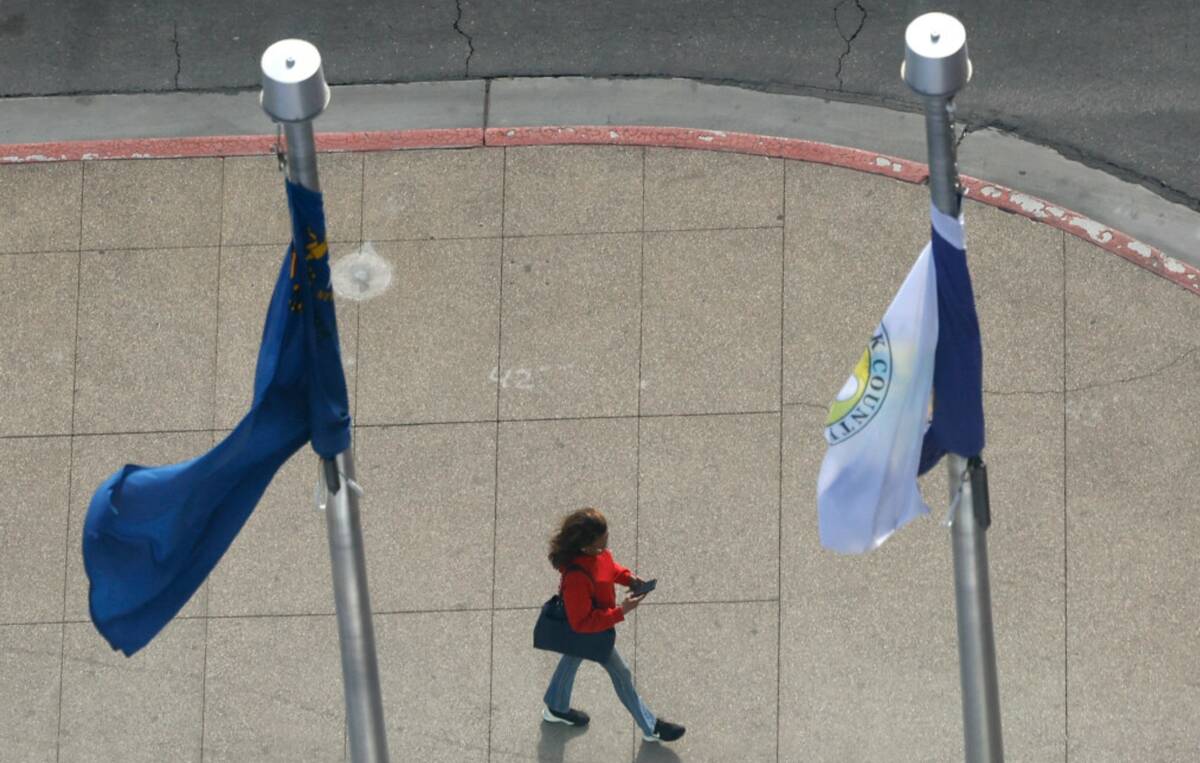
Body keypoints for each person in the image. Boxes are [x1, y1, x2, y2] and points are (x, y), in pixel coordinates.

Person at [541, 507, 686, 743]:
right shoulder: (576, 578)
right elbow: (582, 623)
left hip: (586, 633)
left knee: (571, 659)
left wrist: (627, 578)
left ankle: (556, 707)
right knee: (622, 673)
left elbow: (607, 567)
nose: (606, 546)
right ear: (586, 546)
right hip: (590, 632)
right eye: (602, 542)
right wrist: (621, 611)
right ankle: (651, 728)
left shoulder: (596, 553)